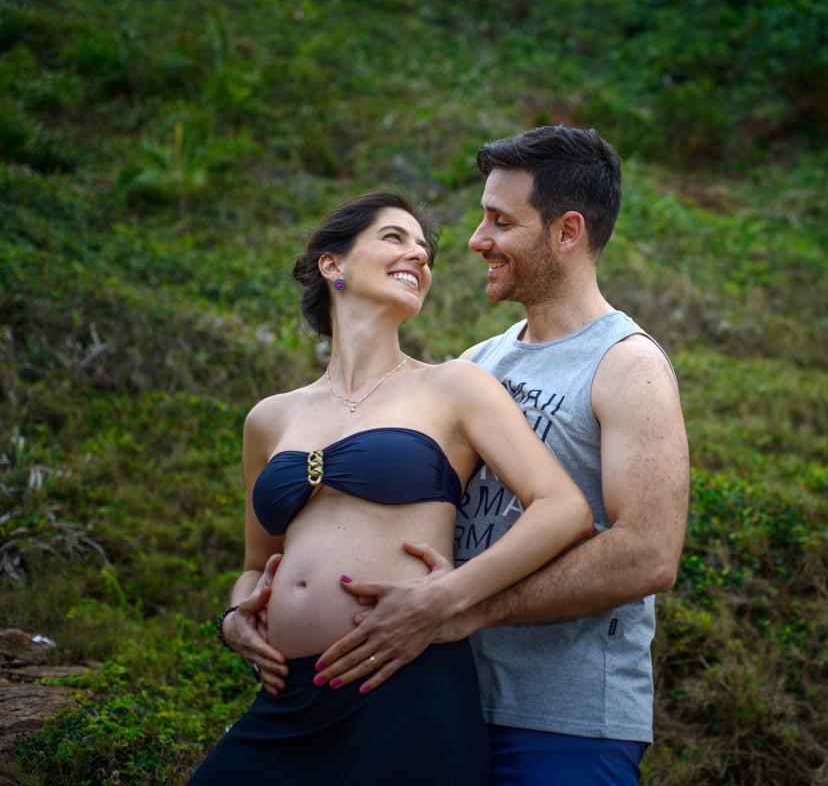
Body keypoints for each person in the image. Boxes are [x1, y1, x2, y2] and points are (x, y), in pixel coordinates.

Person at [314, 126, 691, 785]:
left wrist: (467, 607)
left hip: (564, 723)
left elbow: (648, 554)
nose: (475, 240)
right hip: (440, 702)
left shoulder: (628, 366)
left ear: (566, 232)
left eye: (499, 221)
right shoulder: (477, 363)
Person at [193, 190, 593, 785]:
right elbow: (257, 563)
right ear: (333, 265)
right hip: (289, 697)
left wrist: (449, 598)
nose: (419, 257)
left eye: (425, 251)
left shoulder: (456, 386)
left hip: (404, 683)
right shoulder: (269, 418)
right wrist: (234, 615)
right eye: (394, 238)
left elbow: (563, 509)